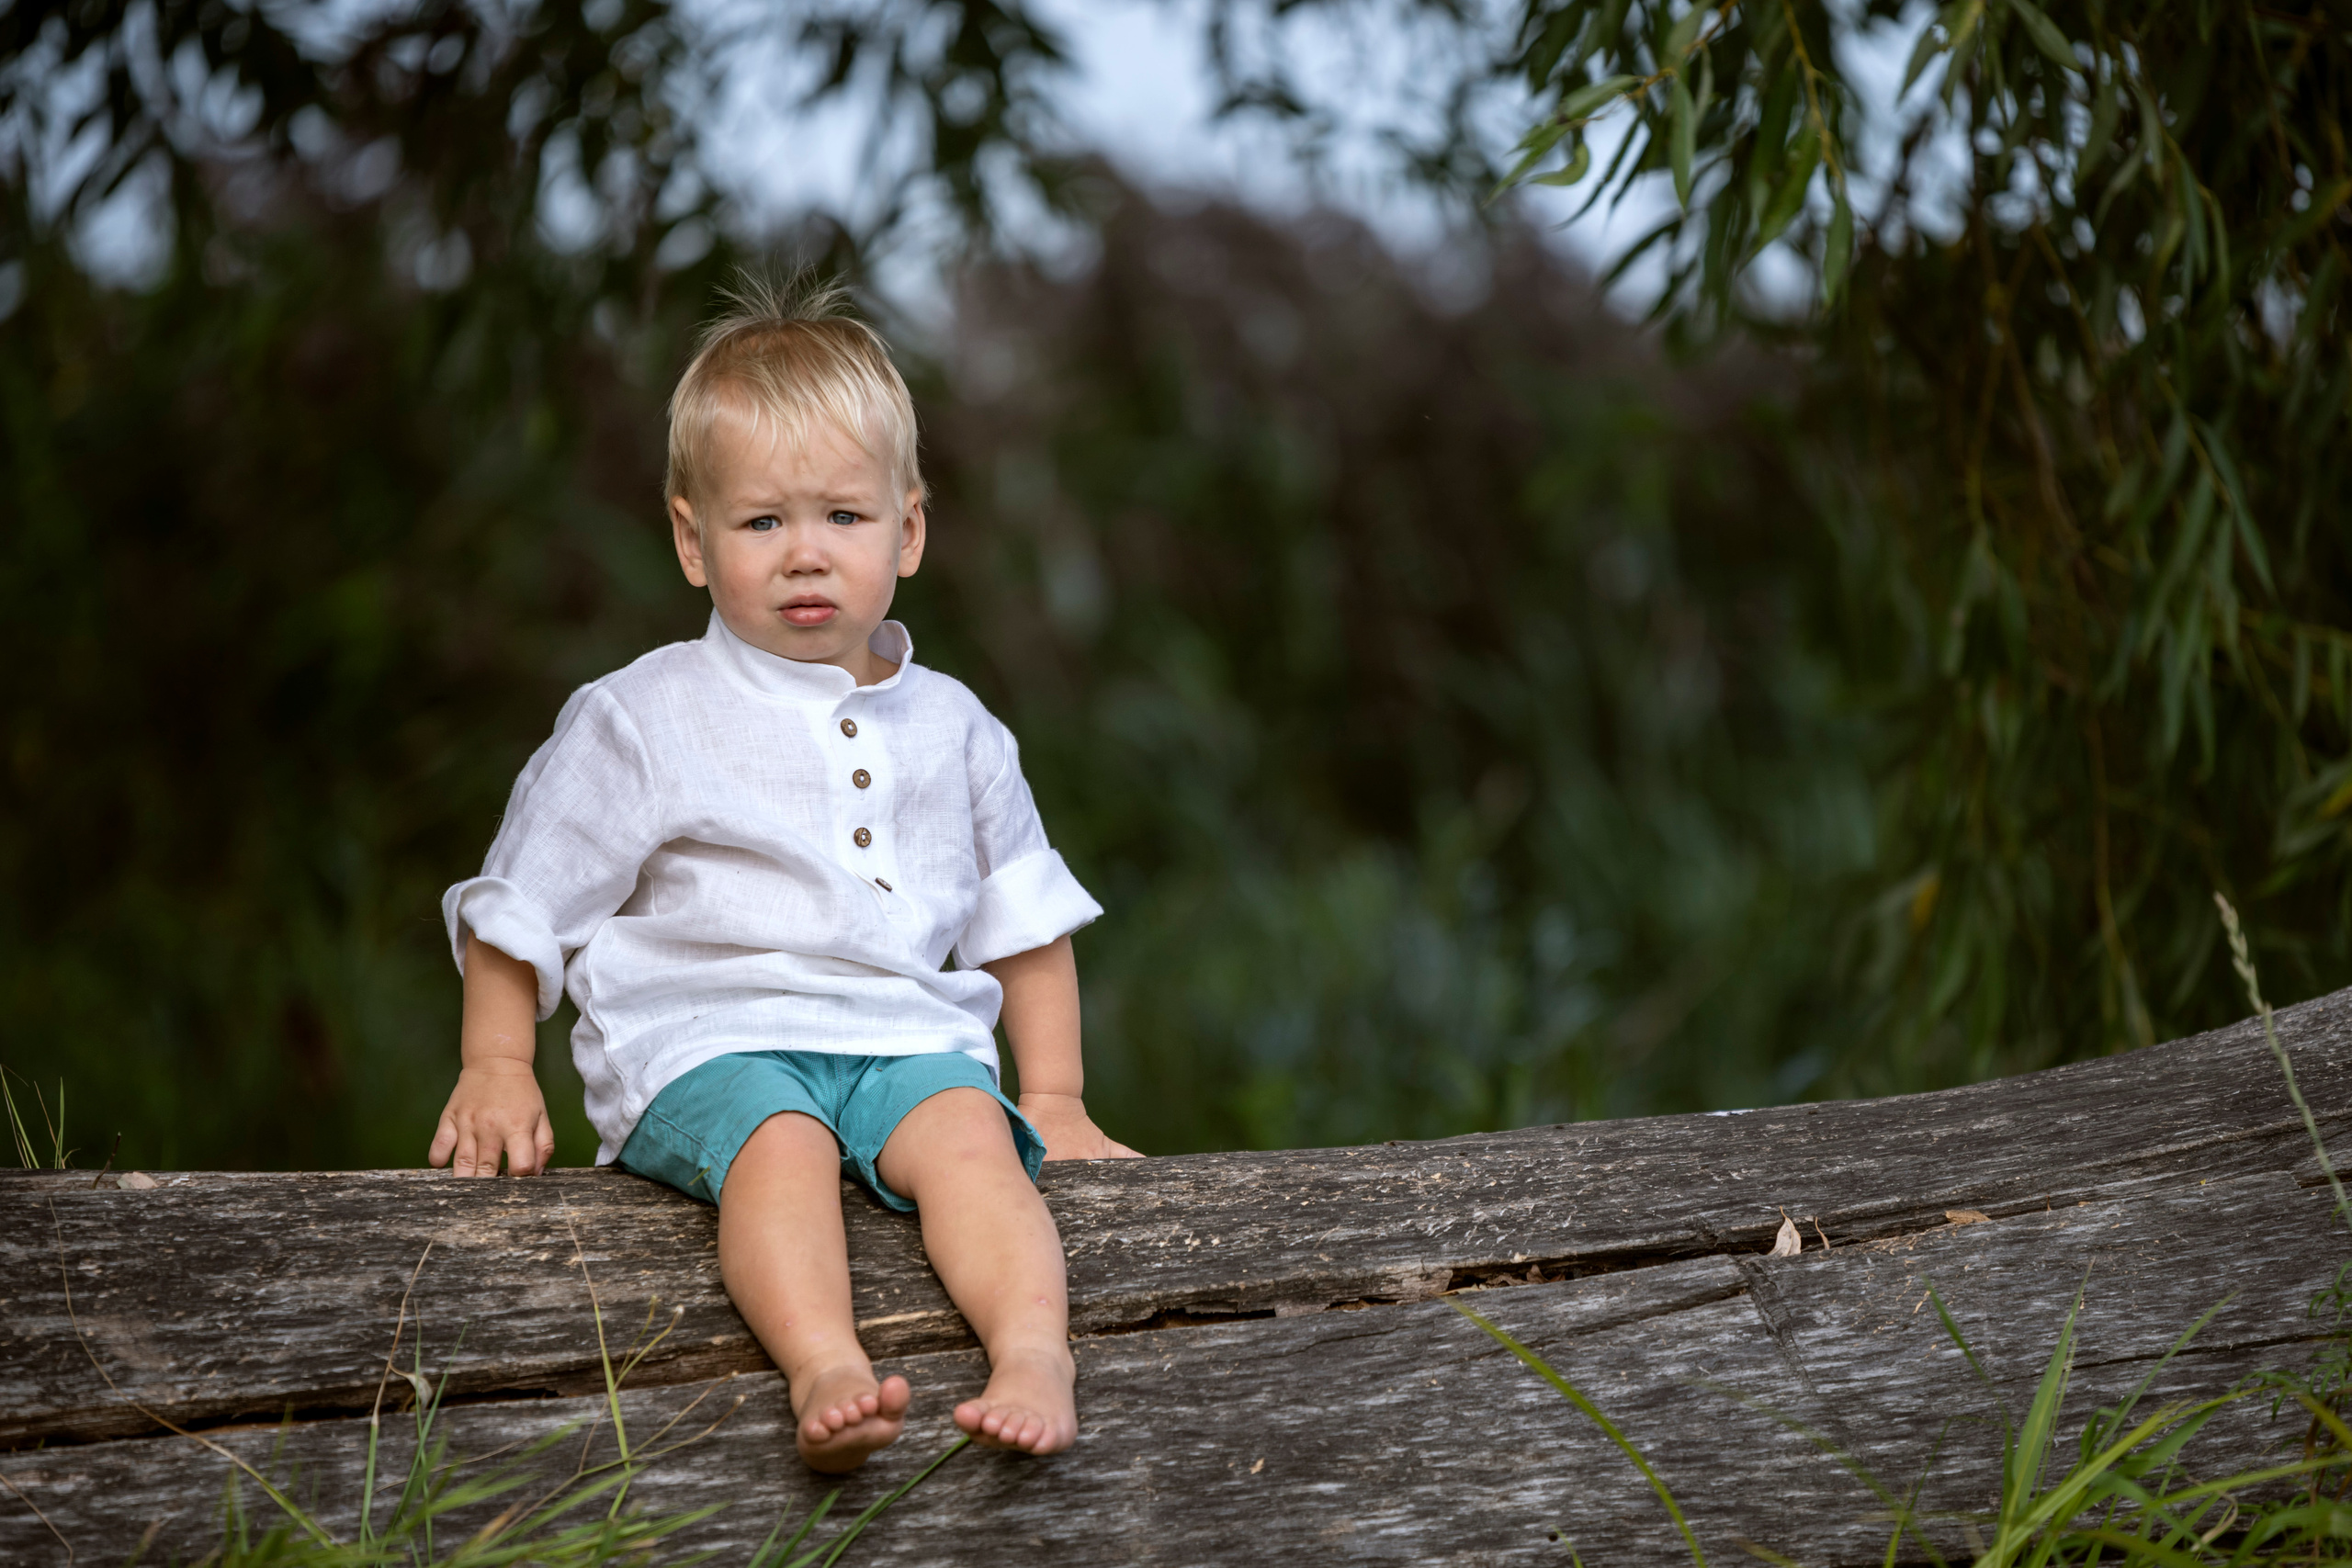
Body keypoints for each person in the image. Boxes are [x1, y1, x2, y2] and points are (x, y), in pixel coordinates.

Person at [425, 274, 1139, 1473]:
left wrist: (1055, 1099)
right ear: (692, 541)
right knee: (782, 1146)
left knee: (976, 1137)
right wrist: (496, 1064)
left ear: (907, 531)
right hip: (710, 1041)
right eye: (763, 524)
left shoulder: (956, 725)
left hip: (899, 1034)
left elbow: (1026, 919)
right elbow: (522, 903)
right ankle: (826, 1366)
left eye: (844, 520)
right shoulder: (644, 716)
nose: (807, 555)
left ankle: (1033, 1352)